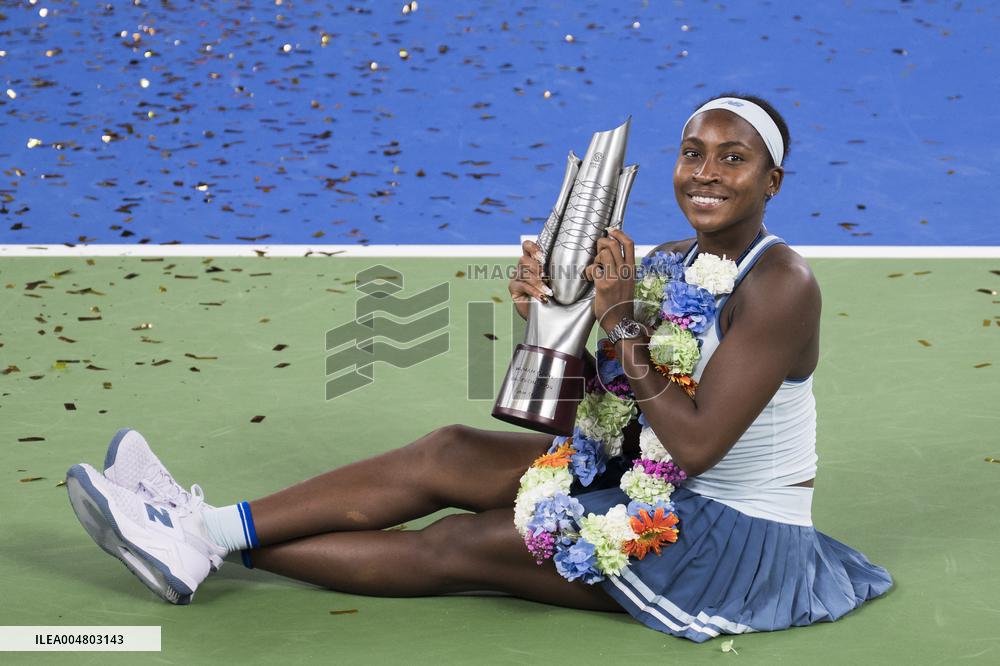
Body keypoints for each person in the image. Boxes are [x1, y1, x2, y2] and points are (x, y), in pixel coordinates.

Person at [65, 93, 891, 642]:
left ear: (772, 181)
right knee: (448, 451)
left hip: (727, 544)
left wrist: (617, 323)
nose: (705, 173)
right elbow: (596, 411)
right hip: (652, 478)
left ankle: (197, 538)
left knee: (464, 545)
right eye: (692, 153)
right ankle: (200, 531)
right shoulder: (671, 261)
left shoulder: (782, 287)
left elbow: (699, 445)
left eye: (732, 158)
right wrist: (552, 317)